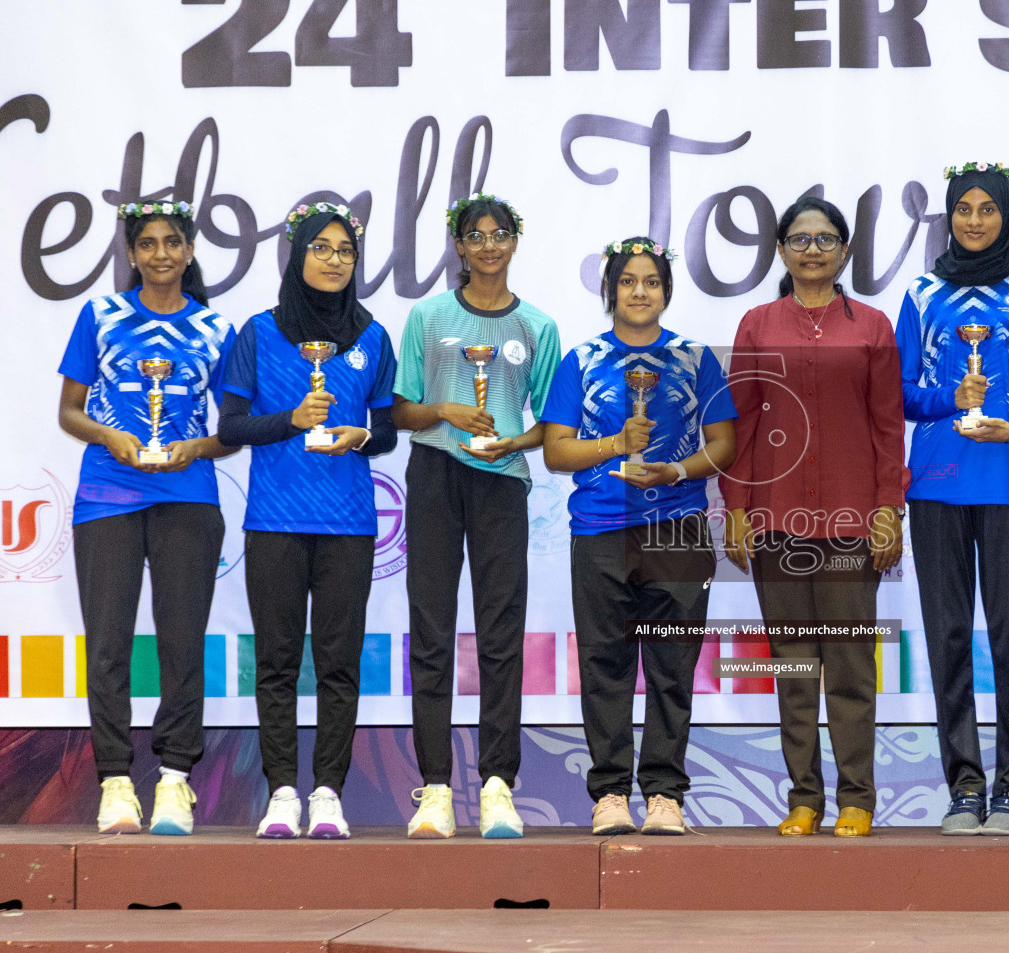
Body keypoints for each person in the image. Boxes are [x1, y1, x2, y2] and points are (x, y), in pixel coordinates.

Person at [720, 197, 905, 838]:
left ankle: (857, 797)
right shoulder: (757, 324)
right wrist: (736, 508)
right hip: (775, 519)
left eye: (826, 239)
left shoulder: (873, 327)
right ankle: (804, 798)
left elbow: (887, 426)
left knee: (850, 666)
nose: (813, 249)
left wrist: (889, 510)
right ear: (780, 250)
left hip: (855, 522)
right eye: (799, 239)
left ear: (845, 251)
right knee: (794, 666)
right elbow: (738, 424)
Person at [541, 237, 736, 836]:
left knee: (673, 666)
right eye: (628, 281)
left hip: (677, 531)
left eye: (650, 281)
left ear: (666, 290)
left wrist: (676, 470)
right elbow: (555, 451)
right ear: (611, 290)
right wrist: (615, 448)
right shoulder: (580, 360)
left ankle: (665, 794)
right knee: (606, 665)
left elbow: (725, 444)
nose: (639, 292)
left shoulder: (696, 358)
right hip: (600, 528)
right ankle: (609, 795)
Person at [218, 202, 397, 839]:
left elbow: (386, 434)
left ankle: (328, 792)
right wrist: (290, 421)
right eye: (320, 248)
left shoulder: (373, 335)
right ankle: (282, 793)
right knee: (276, 662)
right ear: (296, 256)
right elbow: (231, 428)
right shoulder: (258, 333)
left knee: (339, 663)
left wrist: (361, 433)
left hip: (349, 525)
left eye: (344, 251)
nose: (334, 260)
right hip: (273, 523)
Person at [58, 200, 236, 835]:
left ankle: (174, 781)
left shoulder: (216, 328)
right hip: (107, 495)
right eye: (149, 244)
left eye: (172, 243)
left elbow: (234, 428)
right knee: (107, 646)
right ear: (132, 254)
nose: (161, 254)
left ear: (189, 252)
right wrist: (111, 438)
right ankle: (114, 781)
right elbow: (69, 413)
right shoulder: (100, 315)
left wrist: (195, 446)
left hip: (188, 497)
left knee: (182, 644)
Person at [895, 162, 1009, 837]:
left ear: (1006, 217)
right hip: (935, 484)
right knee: (949, 635)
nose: (973, 220)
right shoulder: (922, 292)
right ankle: (965, 785)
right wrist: (948, 401)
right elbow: (900, 391)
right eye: (962, 208)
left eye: (986, 209)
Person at [393, 193, 559, 840]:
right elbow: (404, 411)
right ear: (458, 245)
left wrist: (512, 442)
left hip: (502, 484)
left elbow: (550, 424)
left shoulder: (537, 328)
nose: (488, 244)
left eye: (500, 233)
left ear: (515, 241)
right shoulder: (428, 318)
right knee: (431, 633)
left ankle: (497, 785)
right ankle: (435, 787)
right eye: (475, 235)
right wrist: (447, 412)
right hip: (434, 473)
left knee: (499, 634)